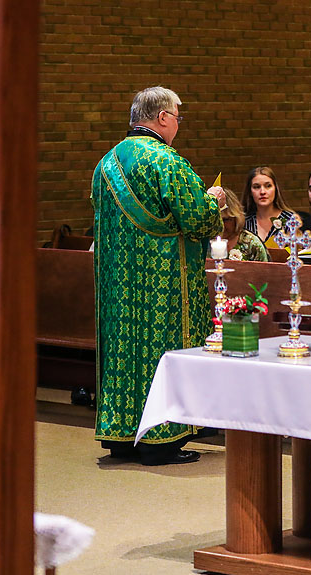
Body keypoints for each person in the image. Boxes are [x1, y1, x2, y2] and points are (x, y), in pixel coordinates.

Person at [91, 86, 225, 466]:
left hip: (117, 282)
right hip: (163, 280)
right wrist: (212, 202)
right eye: (178, 117)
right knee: (161, 351)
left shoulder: (106, 164)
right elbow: (197, 220)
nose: (178, 125)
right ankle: (161, 441)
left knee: (124, 351)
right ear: (163, 117)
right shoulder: (166, 162)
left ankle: (120, 436)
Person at [242, 166, 299, 247]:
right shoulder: (244, 222)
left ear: (275, 188)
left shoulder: (290, 219)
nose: (262, 192)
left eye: (268, 186)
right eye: (257, 187)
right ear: (250, 192)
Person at [219, 188, 268, 261]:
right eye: (216, 220)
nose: (221, 225)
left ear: (236, 219)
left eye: (226, 220)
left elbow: (265, 271)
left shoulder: (252, 244)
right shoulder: (203, 242)